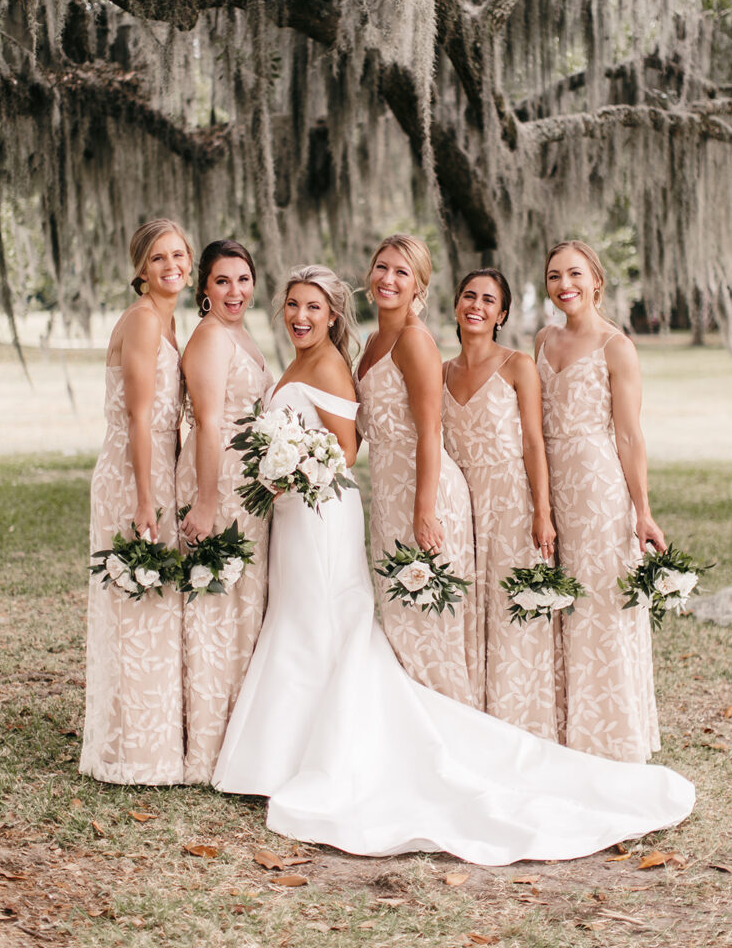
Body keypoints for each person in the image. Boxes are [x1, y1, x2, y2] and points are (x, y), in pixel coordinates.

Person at [212, 264, 694, 865]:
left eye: (402, 272)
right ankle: (301, 743)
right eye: (293, 303)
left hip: (408, 501)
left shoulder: (426, 345)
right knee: (334, 622)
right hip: (359, 503)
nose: (302, 315)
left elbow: (406, 438)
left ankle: (429, 737)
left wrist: (431, 507)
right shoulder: (378, 356)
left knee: (376, 621)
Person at [536, 240, 664, 762]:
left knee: (600, 602)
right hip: (549, 484)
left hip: (596, 487)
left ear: (596, 280)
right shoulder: (542, 339)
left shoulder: (617, 347)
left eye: (574, 274)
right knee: (561, 600)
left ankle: (611, 735)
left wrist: (643, 511)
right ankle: (567, 729)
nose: (564, 285)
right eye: (553, 276)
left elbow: (630, 436)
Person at [80, 218, 192, 784]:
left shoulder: (170, 323)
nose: (171, 266)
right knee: (137, 607)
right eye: (157, 259)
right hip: (133, 477)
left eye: (178, 255)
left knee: (153, 604)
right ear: (140, 270)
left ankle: (154, 741)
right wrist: (147, 499)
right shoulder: (145, 322)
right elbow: (139, 416)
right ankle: (132, 752)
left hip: (159, 475)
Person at [355, 235, 481, 708]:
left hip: (425, 494)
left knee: (428, 625)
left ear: (419, 286)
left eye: (401, 272)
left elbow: (431, 431)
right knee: (400, 621)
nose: (389, 279)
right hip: (388, 498)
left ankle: (448, 729)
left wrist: (424, 511)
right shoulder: (372, 342)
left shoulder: (414, 340)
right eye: (382, 267)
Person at [442, 269, 559, 740]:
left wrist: (542, 511)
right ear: (456, 306)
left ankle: (520, 726)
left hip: (510, 499)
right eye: (469, 296)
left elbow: (534, 441)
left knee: (509, 608)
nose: (476, 305)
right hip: (460, 503)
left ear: (502, 314)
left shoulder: (517, 365)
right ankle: (473, 722)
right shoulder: (441, 369)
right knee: (469, 608)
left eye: (488, 300)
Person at [176, 240, 273, 783]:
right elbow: (208, 422)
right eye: (222, 281)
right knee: (216, 609)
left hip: (248, 487)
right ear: (204, 291)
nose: (235, 291)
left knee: (241, 605)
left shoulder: (240, 333)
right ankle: (209, 744)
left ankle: (240, 734)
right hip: (219, 482)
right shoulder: (211, 338)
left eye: (242, 279)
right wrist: (207, 502)